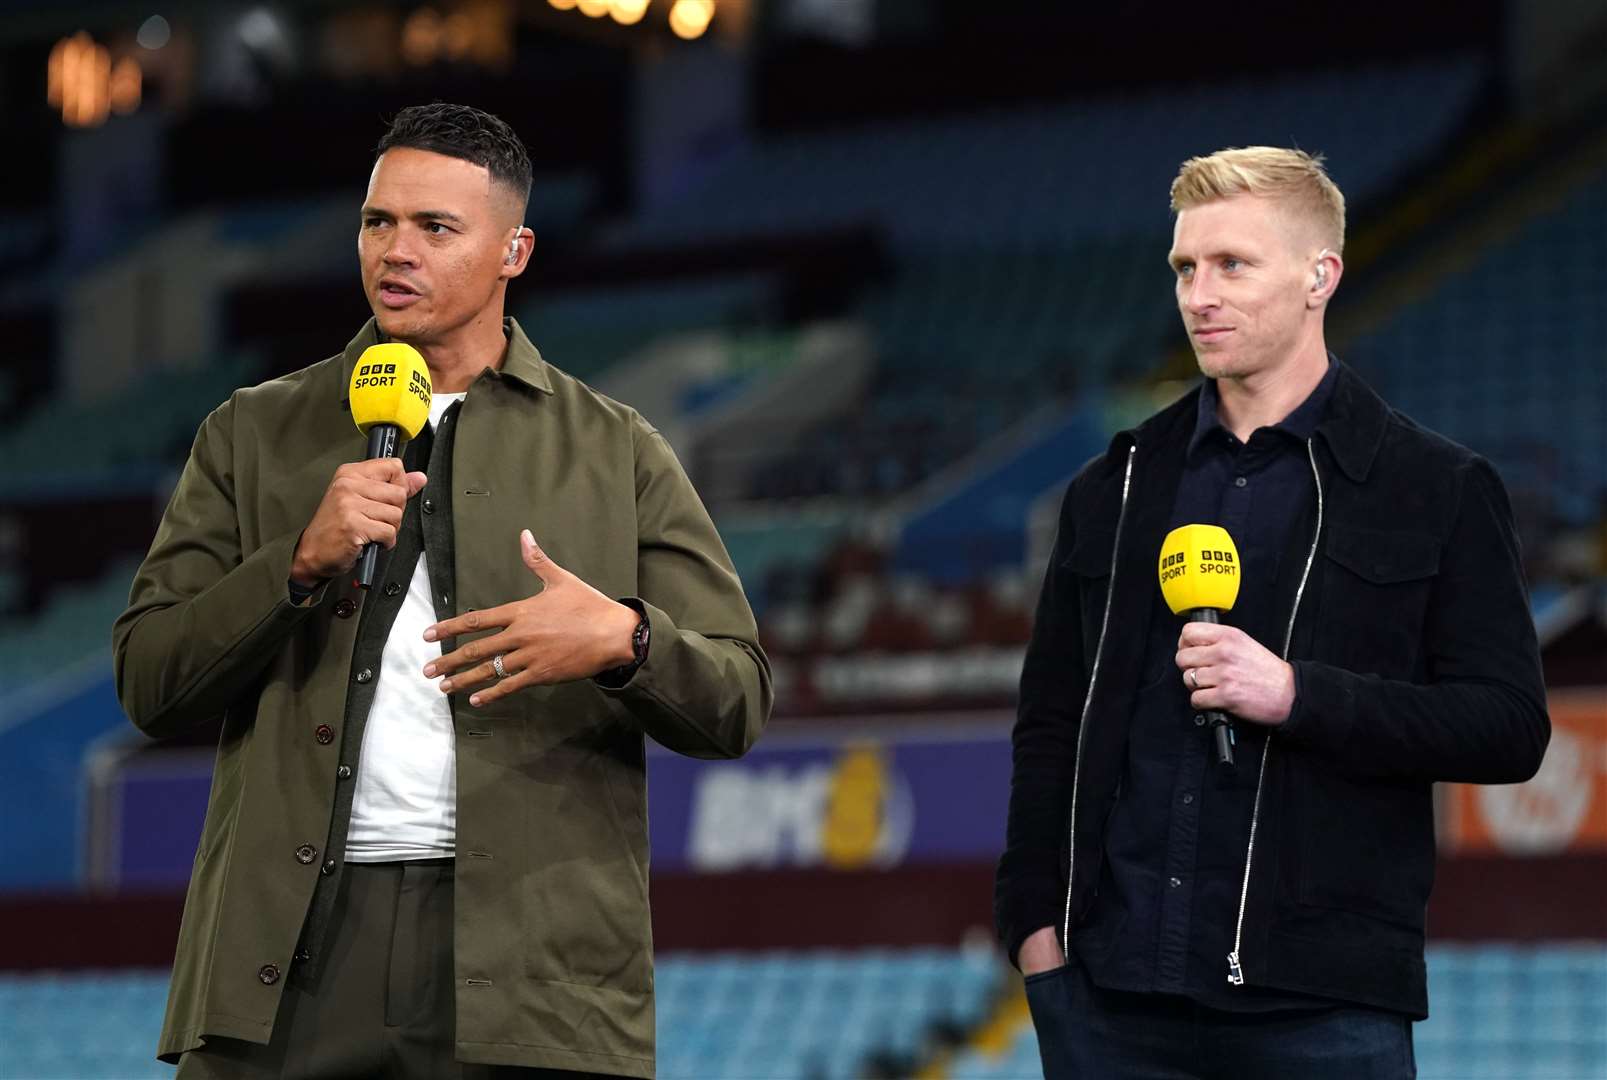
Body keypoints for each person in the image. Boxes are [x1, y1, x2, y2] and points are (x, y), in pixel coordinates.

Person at [113, 103, 771, 1079]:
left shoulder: (613, 447)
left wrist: (625, 642)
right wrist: (294, 563)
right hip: (285, 970)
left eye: (435, 228)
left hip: (530, 976)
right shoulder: (252, 432)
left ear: (514, 250)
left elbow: (740, 697)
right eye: (378, 223)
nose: (395, 251)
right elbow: (149, 677)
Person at [994, 147, 1549, 1079]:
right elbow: (1049, 722)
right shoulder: (1116, 486)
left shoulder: (1435, 487)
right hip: (1107, 999)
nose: (1199, 294)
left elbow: (1507, 727)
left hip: (1323, 1010)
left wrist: (1298, 695)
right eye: (1184, 267)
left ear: (1317, 276)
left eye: (1232, 265)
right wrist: (1033, 931)